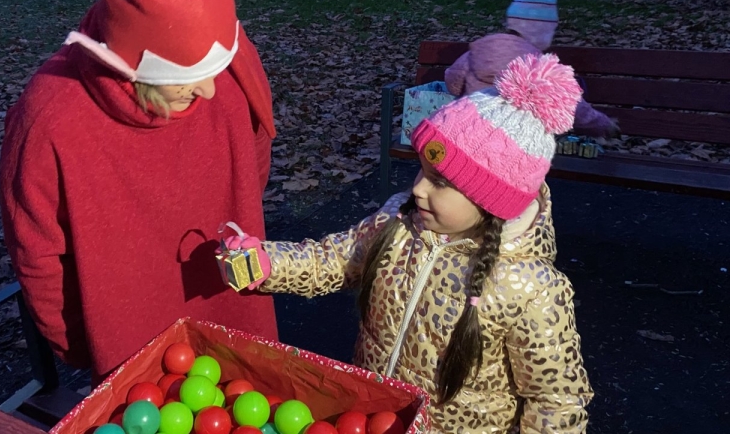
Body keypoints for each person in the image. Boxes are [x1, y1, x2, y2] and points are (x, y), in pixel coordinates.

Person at [226, 54, 594, 432]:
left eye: (440, 182)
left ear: (491, 201)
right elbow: (333, 259)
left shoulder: (531, 289)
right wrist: (267, 263)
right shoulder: (398, 223)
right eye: (422, 168)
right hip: (372, 415)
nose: (417, 187)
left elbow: (555, 400)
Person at [0, 0, 279, 382]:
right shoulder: (51, 119)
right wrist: (81, 344)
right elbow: (39, 257)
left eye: (216, 69)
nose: (208, 88)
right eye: (188, 77)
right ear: (130, 70)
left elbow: (256, 160)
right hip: (135, 351)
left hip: (232, 309)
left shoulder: (227, 63)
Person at [445, 0, 618, 137]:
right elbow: (572, 107)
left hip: (470, 132)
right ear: (544, 33)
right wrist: (604, 125)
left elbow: (453, 80)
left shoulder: (481, 50)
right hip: (514, 141)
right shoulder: (540, 68)